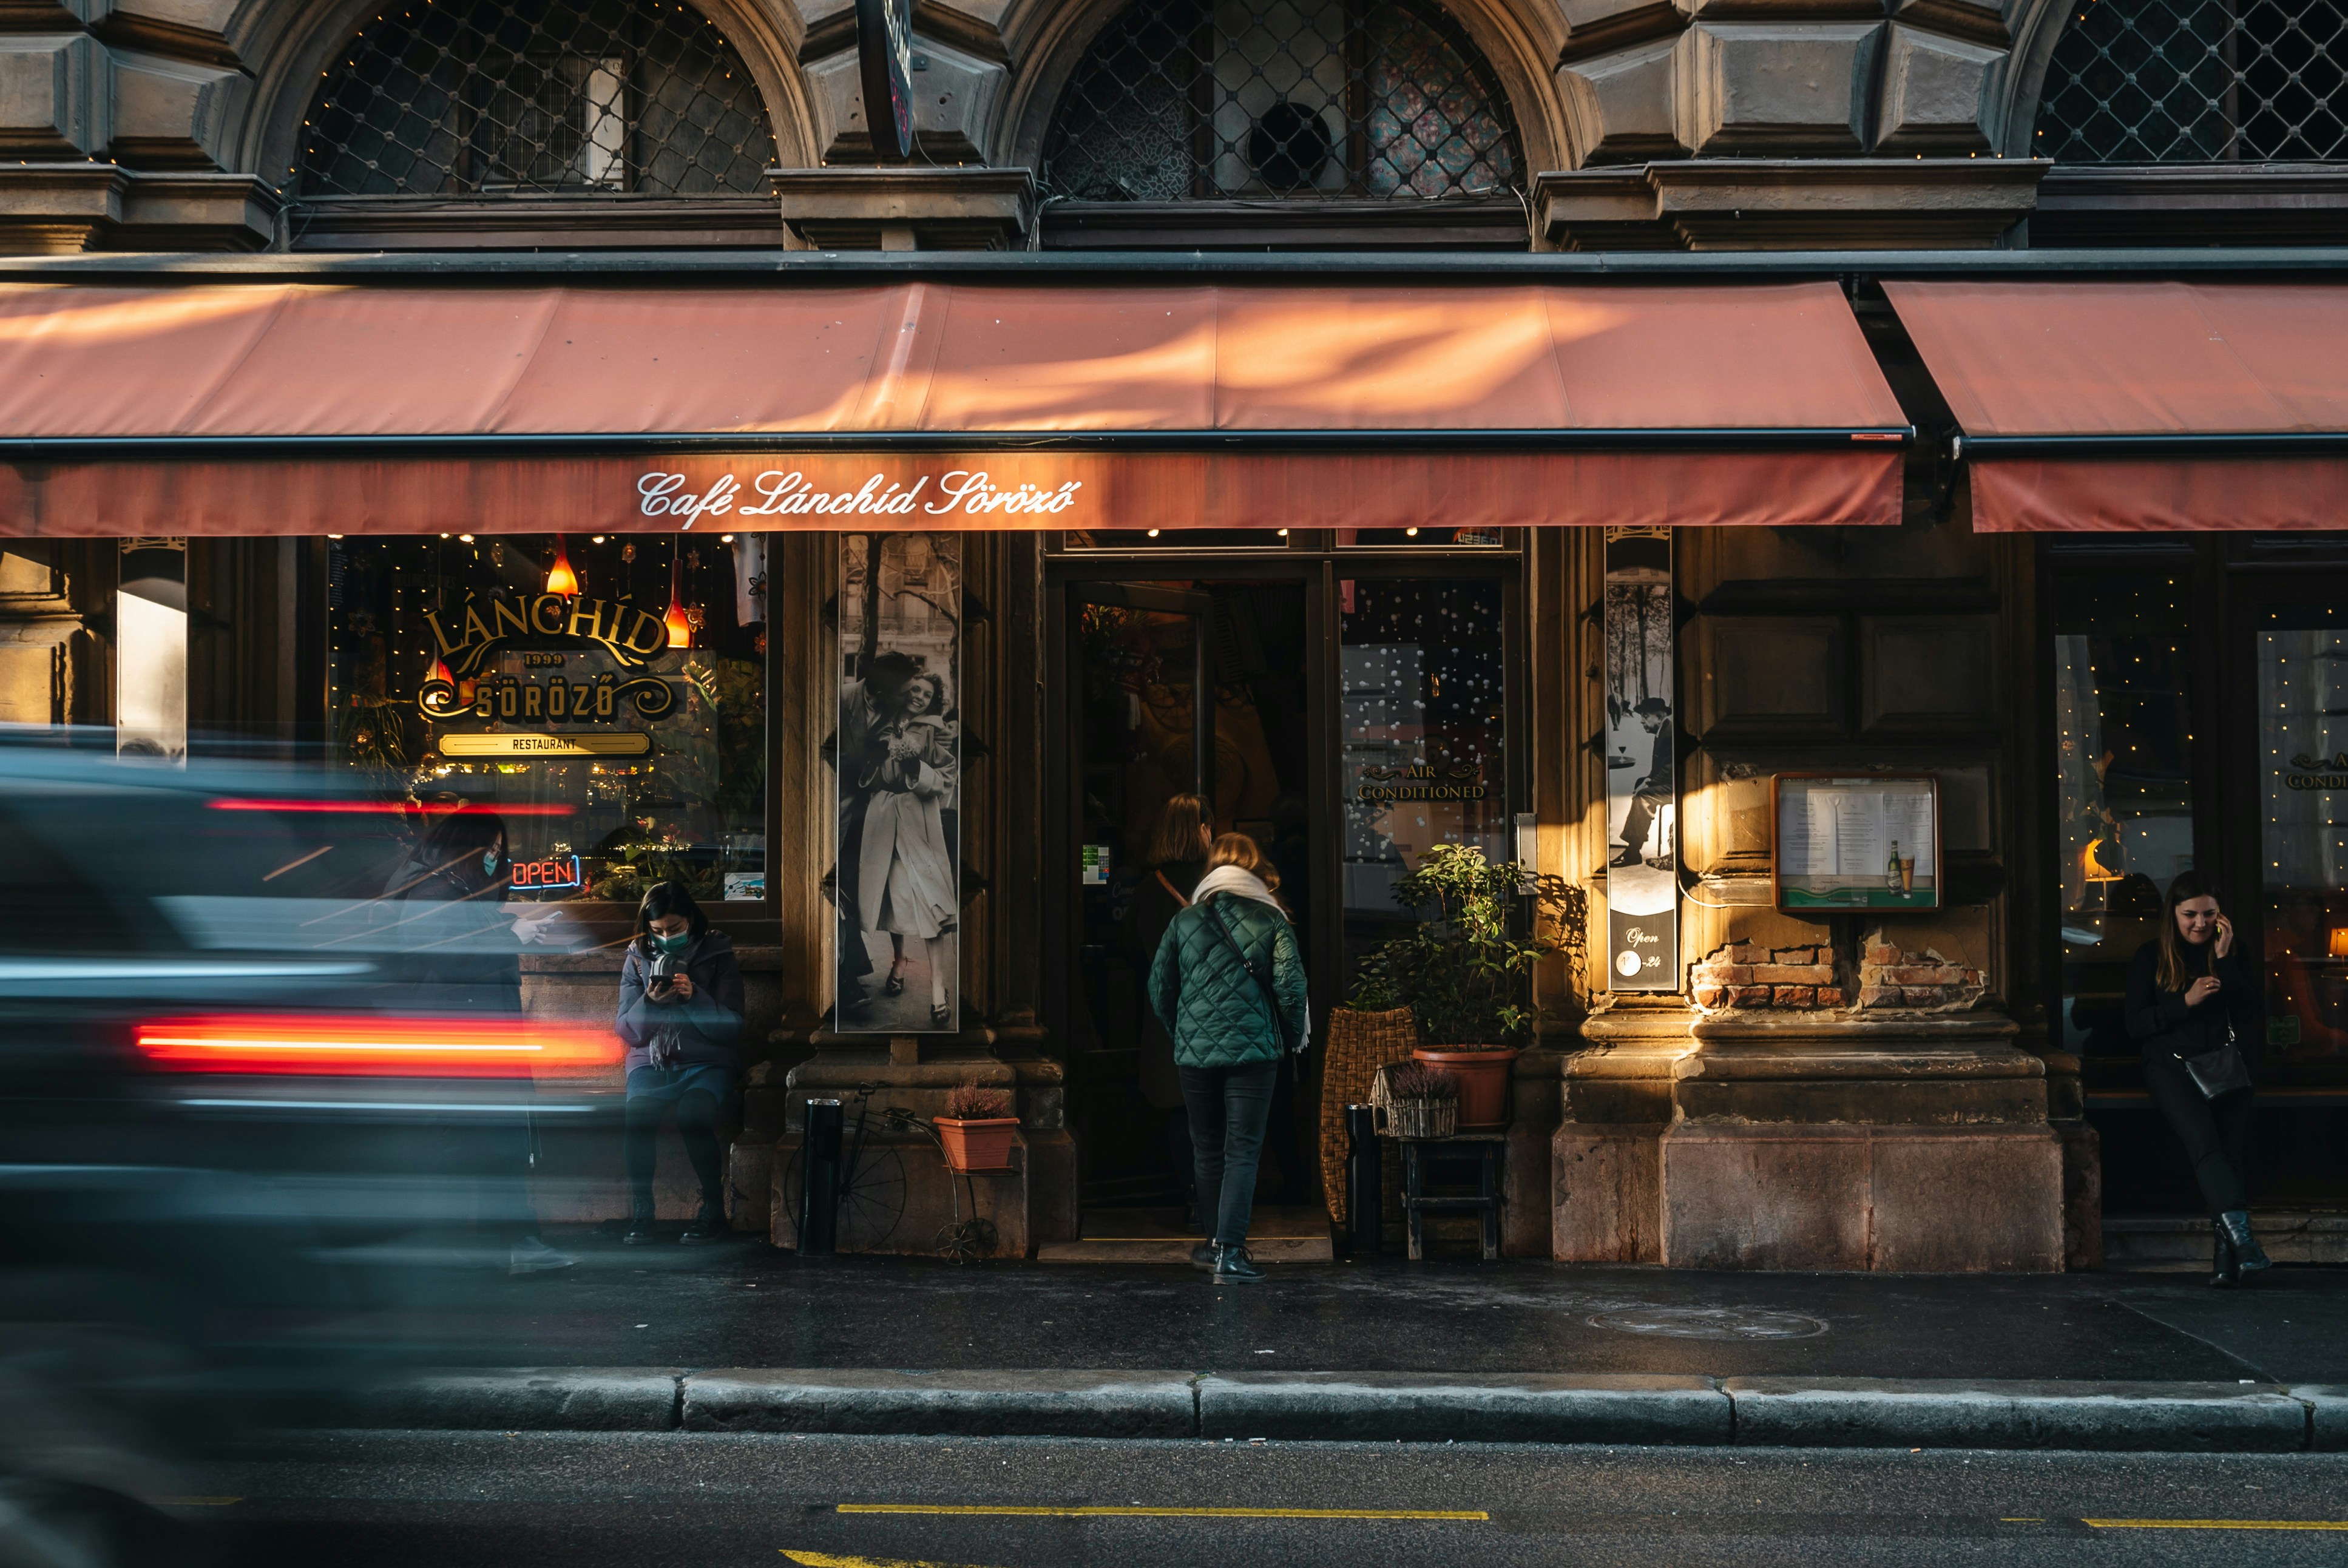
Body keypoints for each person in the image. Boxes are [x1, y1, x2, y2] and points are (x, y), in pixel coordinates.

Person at [396, 809, 573, 1276]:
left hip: (476, 1042)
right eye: (489, 850)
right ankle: (508, 1244)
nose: (495, 860)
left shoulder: (446, 887)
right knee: (485, 1144)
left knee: (493, 1144)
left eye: (500, 851)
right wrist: (509, 933)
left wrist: (511, 931)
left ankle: (509, 1244)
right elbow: (448, 958)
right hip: (462, 1044)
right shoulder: (432, 889)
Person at [1149, 833, 1308, 1286]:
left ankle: (1214, 1242)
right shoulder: (1270, 918)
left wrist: (1183, 1032)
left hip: (1195, 1055)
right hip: (1253, 1054)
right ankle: (1231, 1252)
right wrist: (1290, 1039)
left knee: (1207, 1147)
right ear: (1255, 869)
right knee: (1242, 1150)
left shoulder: (1185, 921)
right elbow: (1291, 989)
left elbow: (1159, 988)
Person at [2126, 870, 2269, 1286]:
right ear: (2173, 914)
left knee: (2230, 1156)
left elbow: (2248, 1012)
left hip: (2223, 1064)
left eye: (2208, 914)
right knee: (2206, 1148)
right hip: (2170, 1067)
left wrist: (2226, 960)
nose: (2200, 924)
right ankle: (2244, 1245)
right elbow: (2134, 1024)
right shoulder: (2150, 957)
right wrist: (2184, 1002)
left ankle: (2227, 1263)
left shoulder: (2229, 951)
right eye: (2190, 915)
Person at [616, 880, 746, 1245]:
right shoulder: (637, 957)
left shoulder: (717, 952)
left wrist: (695, 998)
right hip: (652, 1061)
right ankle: (643, 1214)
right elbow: (627, 1031)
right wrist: (651, 1004)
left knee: (694, 1116)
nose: (666, 937)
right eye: (658, 931)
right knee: (637, 1121)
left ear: (691, 919)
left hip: (707, 1062)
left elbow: (732, 1026)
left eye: (675, 929)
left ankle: (713, 1210)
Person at [854, 668, 960, 1027]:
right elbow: (860, 775)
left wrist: (916, 764)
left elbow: (947, 774)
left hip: (918, 821)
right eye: (915, 689)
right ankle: (899, 961)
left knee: (932, 903)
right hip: (884, 819)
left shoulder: (934, 730)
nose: (919, 697)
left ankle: (937, 987)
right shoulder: (878, 724)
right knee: (894, 896)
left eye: (926, 695)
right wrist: (877, 753)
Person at [1126, 792, 1213, 1222]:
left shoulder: (1148, 887)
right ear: (1202, 830)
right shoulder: (1220, 883)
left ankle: (1193, 1198)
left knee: (1182, 1108)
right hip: (1218, 1010)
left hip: (1169, 1014)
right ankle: (1226, 1202)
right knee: (1224, 1105)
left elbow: (1129, 948)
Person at [1611, 697, 1673, 868]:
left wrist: (1649, 783)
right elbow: (1659, 765)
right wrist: (1647, 779)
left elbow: (1670, 769)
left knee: (1643, 796)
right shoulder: (1662, 731)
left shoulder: (1669, 733)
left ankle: (1633, 851)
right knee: (1641, 788)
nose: (1641, 721)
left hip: (1678, 786)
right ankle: (1633, 849)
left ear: (1660, 717)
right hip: (1669, 782)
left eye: (1646, 716)